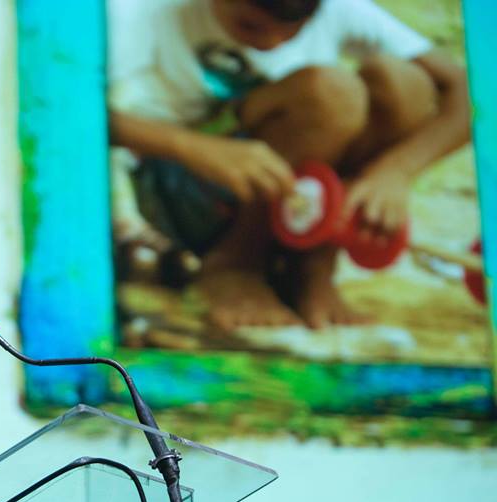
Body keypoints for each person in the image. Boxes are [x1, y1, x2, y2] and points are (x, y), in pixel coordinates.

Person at [108, 0, 470, 329]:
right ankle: (235, 263)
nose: (275, 43)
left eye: (295, 31)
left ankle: (311, 267)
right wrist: (194, 147)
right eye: (251, 26)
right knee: (332, 92)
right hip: (183, 187)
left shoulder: (338, 9)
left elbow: (467, 94)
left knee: (404, 84)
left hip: (296, 201)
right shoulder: (141, 12)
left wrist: (395, 172)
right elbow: (68, 109)